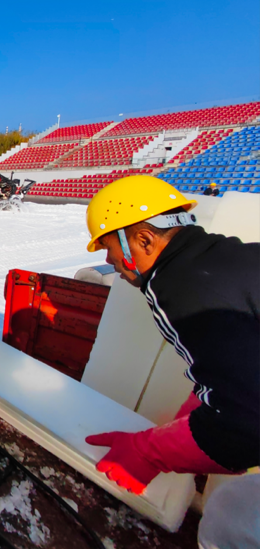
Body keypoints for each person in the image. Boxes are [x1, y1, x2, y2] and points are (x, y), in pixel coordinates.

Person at [81, 176, 258, 504]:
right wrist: (199, 411)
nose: (107, 261)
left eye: (107, 246)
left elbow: (246, 424)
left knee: (228, 526)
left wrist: (148, 452)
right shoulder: (229, 259)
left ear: (144, 240)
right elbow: (241, 366)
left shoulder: (181, 290)